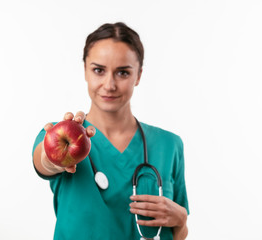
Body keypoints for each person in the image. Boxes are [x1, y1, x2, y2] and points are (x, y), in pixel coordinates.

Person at [32, 22, 189, 240]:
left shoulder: (169, 145)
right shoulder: (55, 135)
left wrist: (181, 221)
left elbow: (175, 230)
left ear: (139, 75)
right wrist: (56, 157)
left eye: (123, 73)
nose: (109, 84)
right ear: (85, 70)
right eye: (98, 70)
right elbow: (46, 161)